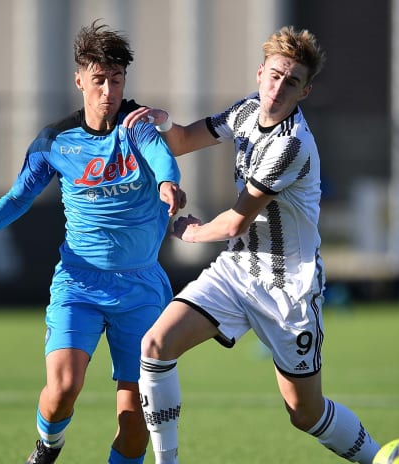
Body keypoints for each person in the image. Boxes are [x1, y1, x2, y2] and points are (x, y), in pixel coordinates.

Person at [0, 20, 186, 464]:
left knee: (135, 423)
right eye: (100, 80)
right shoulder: (54, 141)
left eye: (117, 80)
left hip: (141, 288)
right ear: (80, 80)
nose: (109, 91)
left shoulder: (137, 125)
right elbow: (18, 197)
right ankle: (48, 447)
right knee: (63, 389)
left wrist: (167, 183)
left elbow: (162, 155)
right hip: (79, 284)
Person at [123, 26, 381, 463]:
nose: (279, 87)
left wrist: (190, 232)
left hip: (289, 290)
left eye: (292, 81)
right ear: (261, 73)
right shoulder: (246, 110)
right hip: (238, 272)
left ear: (305, 92)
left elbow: (235, 221)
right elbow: (185, 139)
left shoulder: (291, 145)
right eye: (275, 75)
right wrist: (153, 125)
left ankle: (378, 458)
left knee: (305, 413)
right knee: (155, 346)